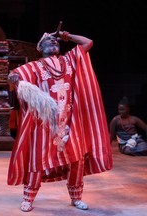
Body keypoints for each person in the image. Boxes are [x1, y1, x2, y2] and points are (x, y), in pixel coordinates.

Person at [7, 23, 113, 212]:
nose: (54, 41)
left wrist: (66, 35)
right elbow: (14, 75)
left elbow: (88, 42)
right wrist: (13, 79)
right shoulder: (35, 66)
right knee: (37, 159)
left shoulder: (69, 60)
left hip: (70, 119)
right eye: (49, 39)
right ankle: (28, 198)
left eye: (55, 40)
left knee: (76, 158)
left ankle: (76, 197)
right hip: (45, 123)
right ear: (40, 47)